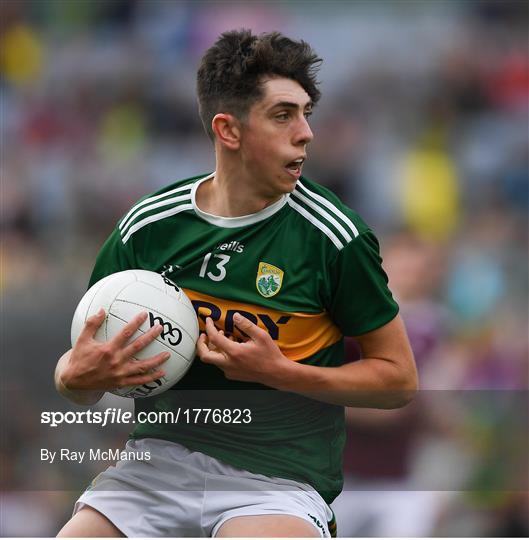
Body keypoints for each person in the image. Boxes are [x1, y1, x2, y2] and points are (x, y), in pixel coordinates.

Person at [55, 29, 417, 538]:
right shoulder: (149, 226)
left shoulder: (334, 237)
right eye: (283, 115)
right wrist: (79, 377)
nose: (306, 132)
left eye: (306, 113)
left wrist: (282, 372)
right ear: (229, 130)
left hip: (277, 483)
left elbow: (398, 381)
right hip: (154, 470)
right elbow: (74, 373)